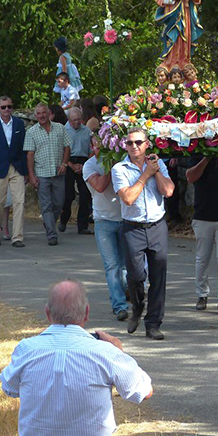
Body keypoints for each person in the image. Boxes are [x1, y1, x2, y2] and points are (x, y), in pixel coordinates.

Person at [0, 279, 152, 436]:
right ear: (87, 312)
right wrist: (119, 351)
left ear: (47, 313)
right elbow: (143, 392)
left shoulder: (27, 349)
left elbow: (9, 388)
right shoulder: (105, 352)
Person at [111, 127, 175, 340]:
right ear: (125, 146)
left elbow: (168, 191)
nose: (134, 146)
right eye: (130, 143)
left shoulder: (157, 164)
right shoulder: (120, 169)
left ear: (147, 144)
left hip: (157, 225)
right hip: (133, 227)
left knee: (159, 275)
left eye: (139, 142)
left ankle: (153, 323)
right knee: (136, 276)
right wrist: (144, 175)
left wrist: (154, 171)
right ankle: (137, 308)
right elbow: (128, 198)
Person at [84, 137, 129, 321]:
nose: (100, 149)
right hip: (103, 221)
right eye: (96, 145)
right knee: (112, 266)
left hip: (125, 219)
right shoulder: (89, 165)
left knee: (127, 266)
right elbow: (100, 186)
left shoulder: (124, 161)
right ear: (91, 147)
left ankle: (126, 292)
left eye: (104, 145)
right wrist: (113, 166)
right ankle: (119, 306)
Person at [186, 154, 218, 315]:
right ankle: (202, 294)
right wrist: (206, 159)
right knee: (202, 258)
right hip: (202, 215)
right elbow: (190, 177)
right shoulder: (198, 153)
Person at [0, 96, 27, 248]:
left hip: (16, 167)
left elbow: (23, 149)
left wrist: (25, 171)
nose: (7, 109)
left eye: (9, 106)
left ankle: (17, 237)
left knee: (19, 202)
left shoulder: (19, 123)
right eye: (3, 107)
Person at [24, 103, 71, 246]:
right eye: (38, 114)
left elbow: (67, 147)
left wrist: (64, 163)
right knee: (46, 205)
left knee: (59, 203)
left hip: (58, 173)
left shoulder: (60, 128)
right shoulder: (31, 132)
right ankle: (51, 234)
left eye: (43, 113)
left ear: (49, 113)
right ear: (35, 115)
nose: (41, 116)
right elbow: (30, 155)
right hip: (42, 173)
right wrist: (31, 175)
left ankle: (49, 221)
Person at [155, 0, 203, 71]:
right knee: (173, 36)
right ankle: (172, 61)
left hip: (185, 15)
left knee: (184, 36)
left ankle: (184, 60)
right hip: (171, 15)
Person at [60, 107, 92, 235]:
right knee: (68, 195)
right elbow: (61, 152)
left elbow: (92, 150)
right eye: (74, 120)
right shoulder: (63, 130)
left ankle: (82, 225)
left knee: (85, 193)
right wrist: (71, 165)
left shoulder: (87, 131)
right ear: (69, 120)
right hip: (68, 161)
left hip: (83, 161)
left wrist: (83, 166)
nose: (77, 123)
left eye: (79, 120)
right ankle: (64, 218)